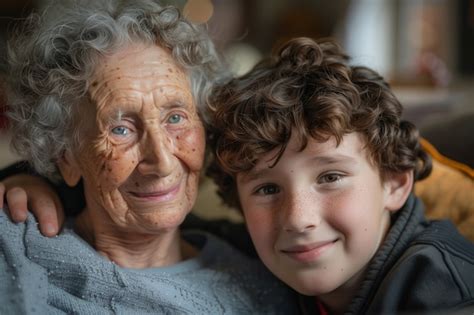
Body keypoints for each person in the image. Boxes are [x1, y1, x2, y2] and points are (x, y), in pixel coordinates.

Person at [0, 1, 299, 314]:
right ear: (65, 156)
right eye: (120, 129)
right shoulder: (14, 250)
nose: (163, 162)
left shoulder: (266, 283)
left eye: (175, 118)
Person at [206, 37, 474, 314]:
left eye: (330, 177)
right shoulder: (264, 250)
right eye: (268, 190)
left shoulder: (446, 292)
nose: (298, 220)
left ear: (395, 182)